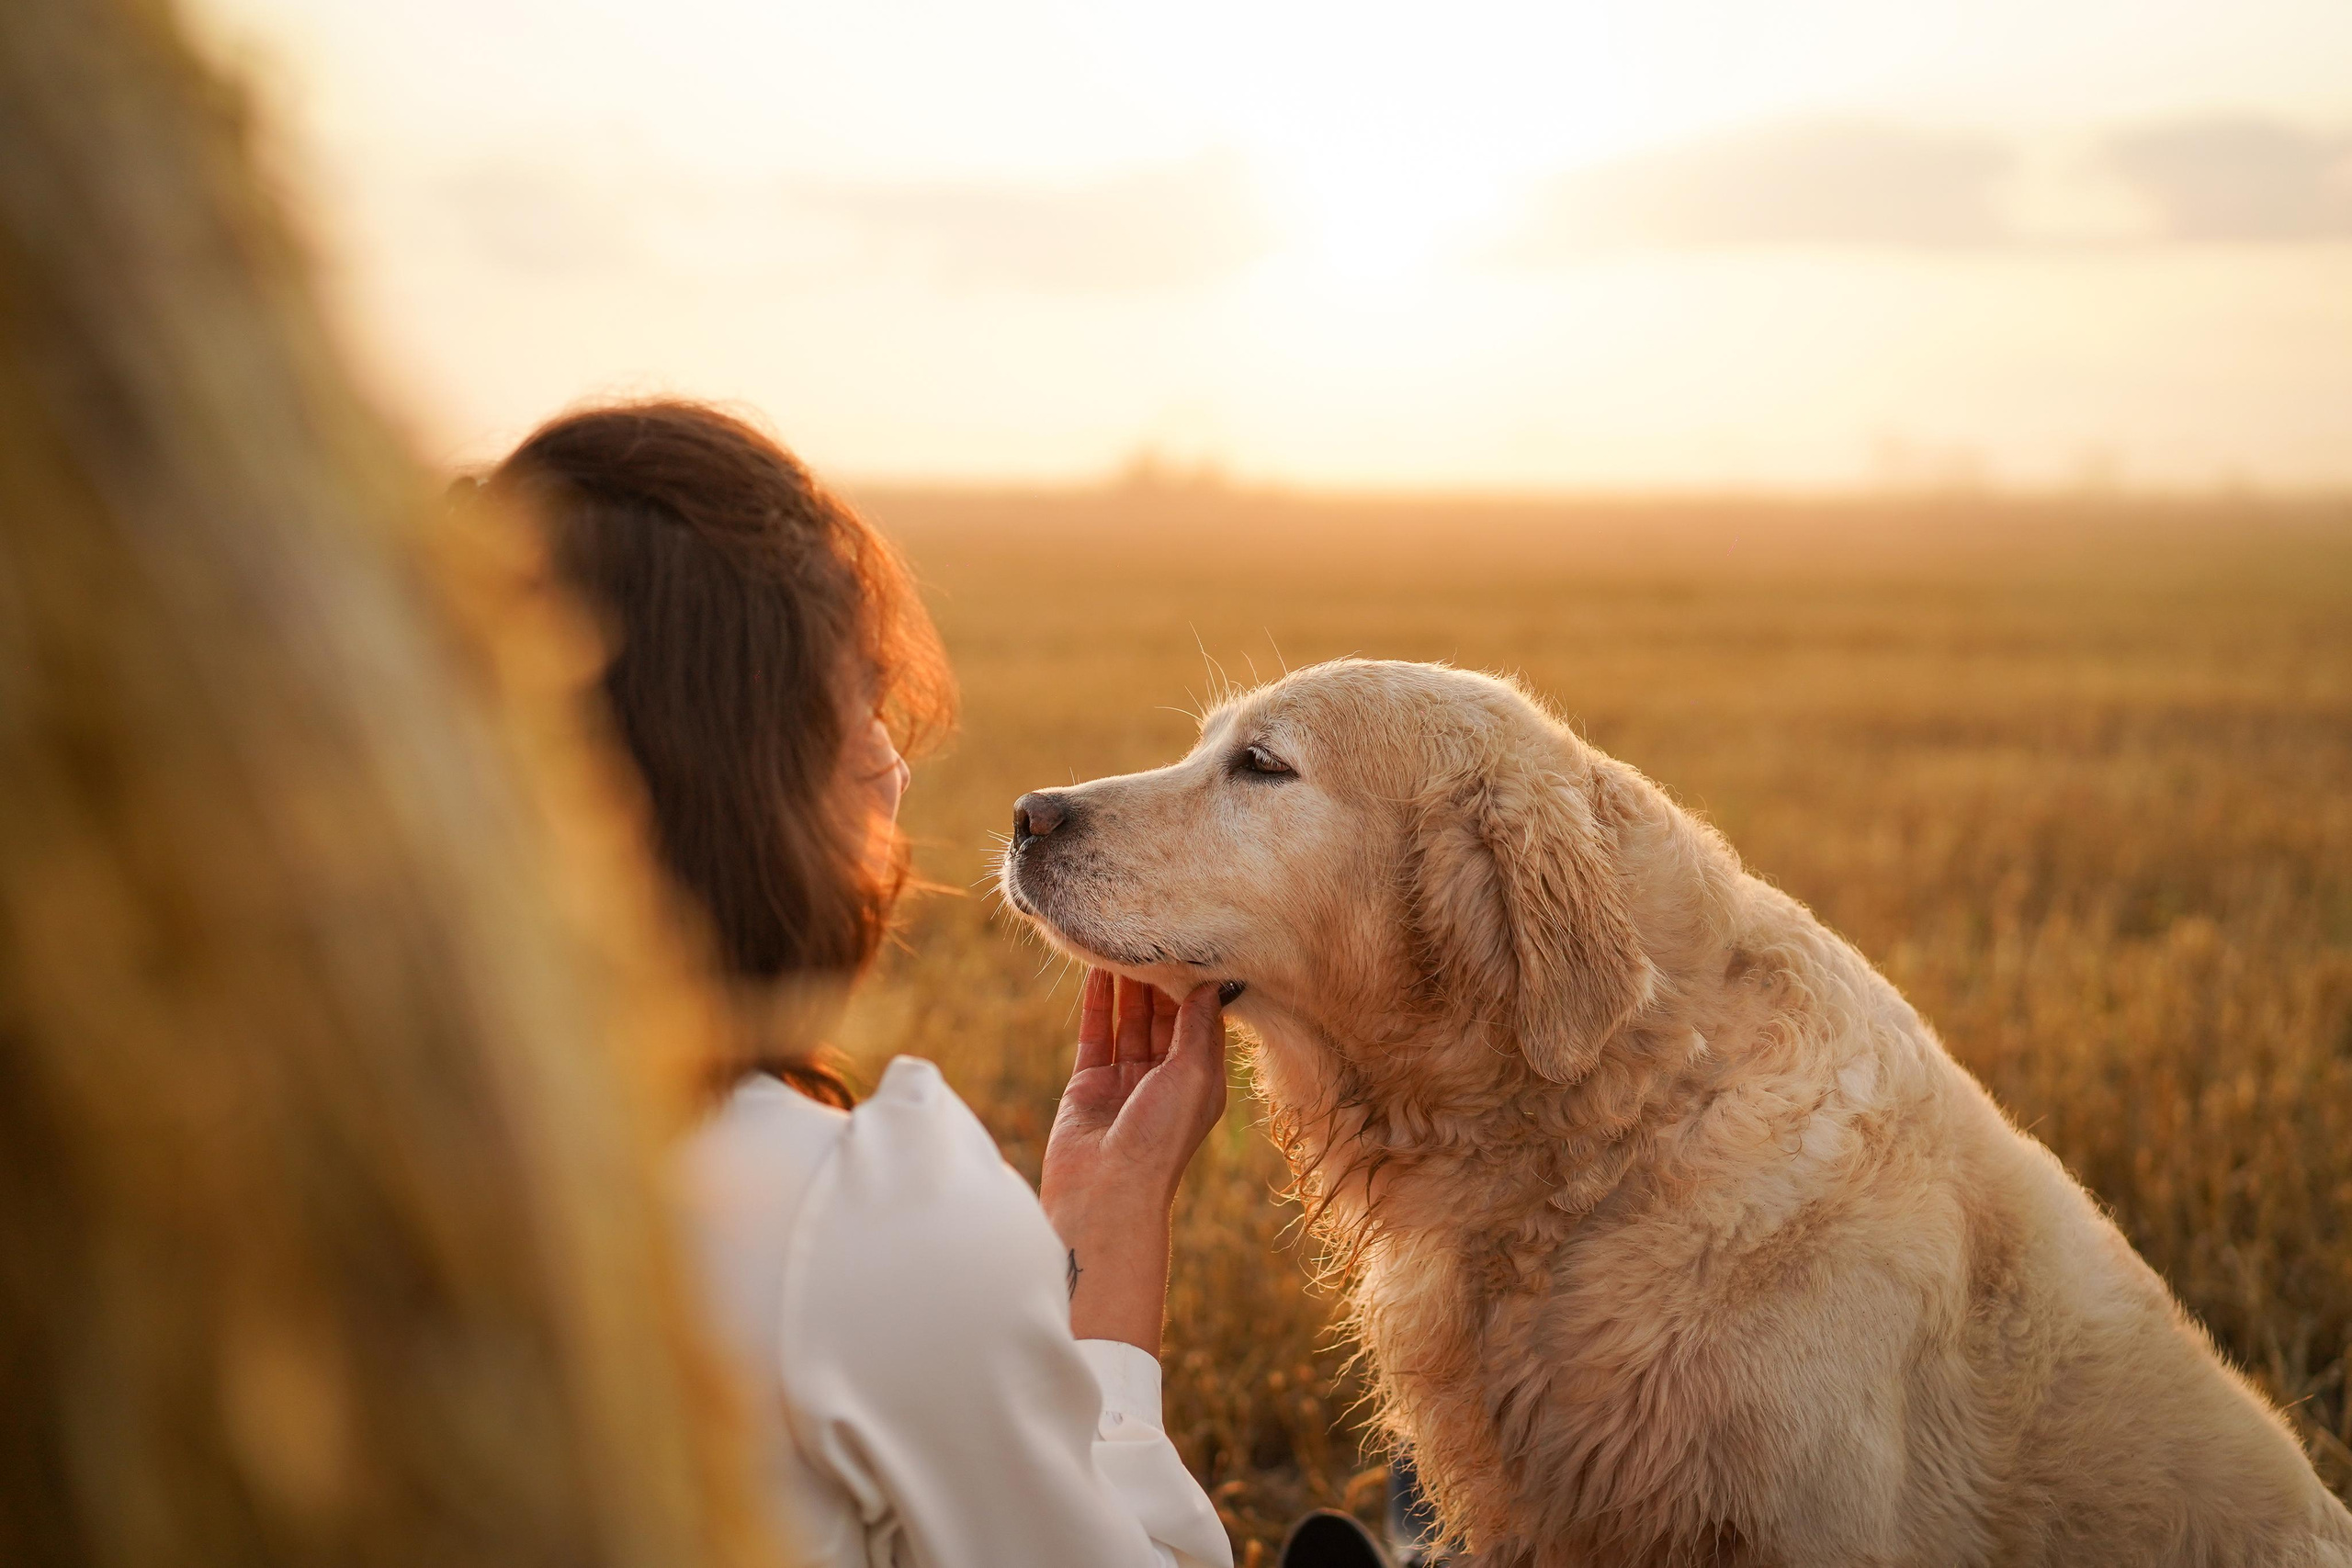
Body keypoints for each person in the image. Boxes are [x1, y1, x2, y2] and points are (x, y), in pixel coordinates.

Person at [481, 400, 1283, 1568]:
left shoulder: (276, 1141)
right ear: (731, 766)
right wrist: (1101, 1305)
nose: (890, 760)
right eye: (855, 700)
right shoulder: (848, 1223)